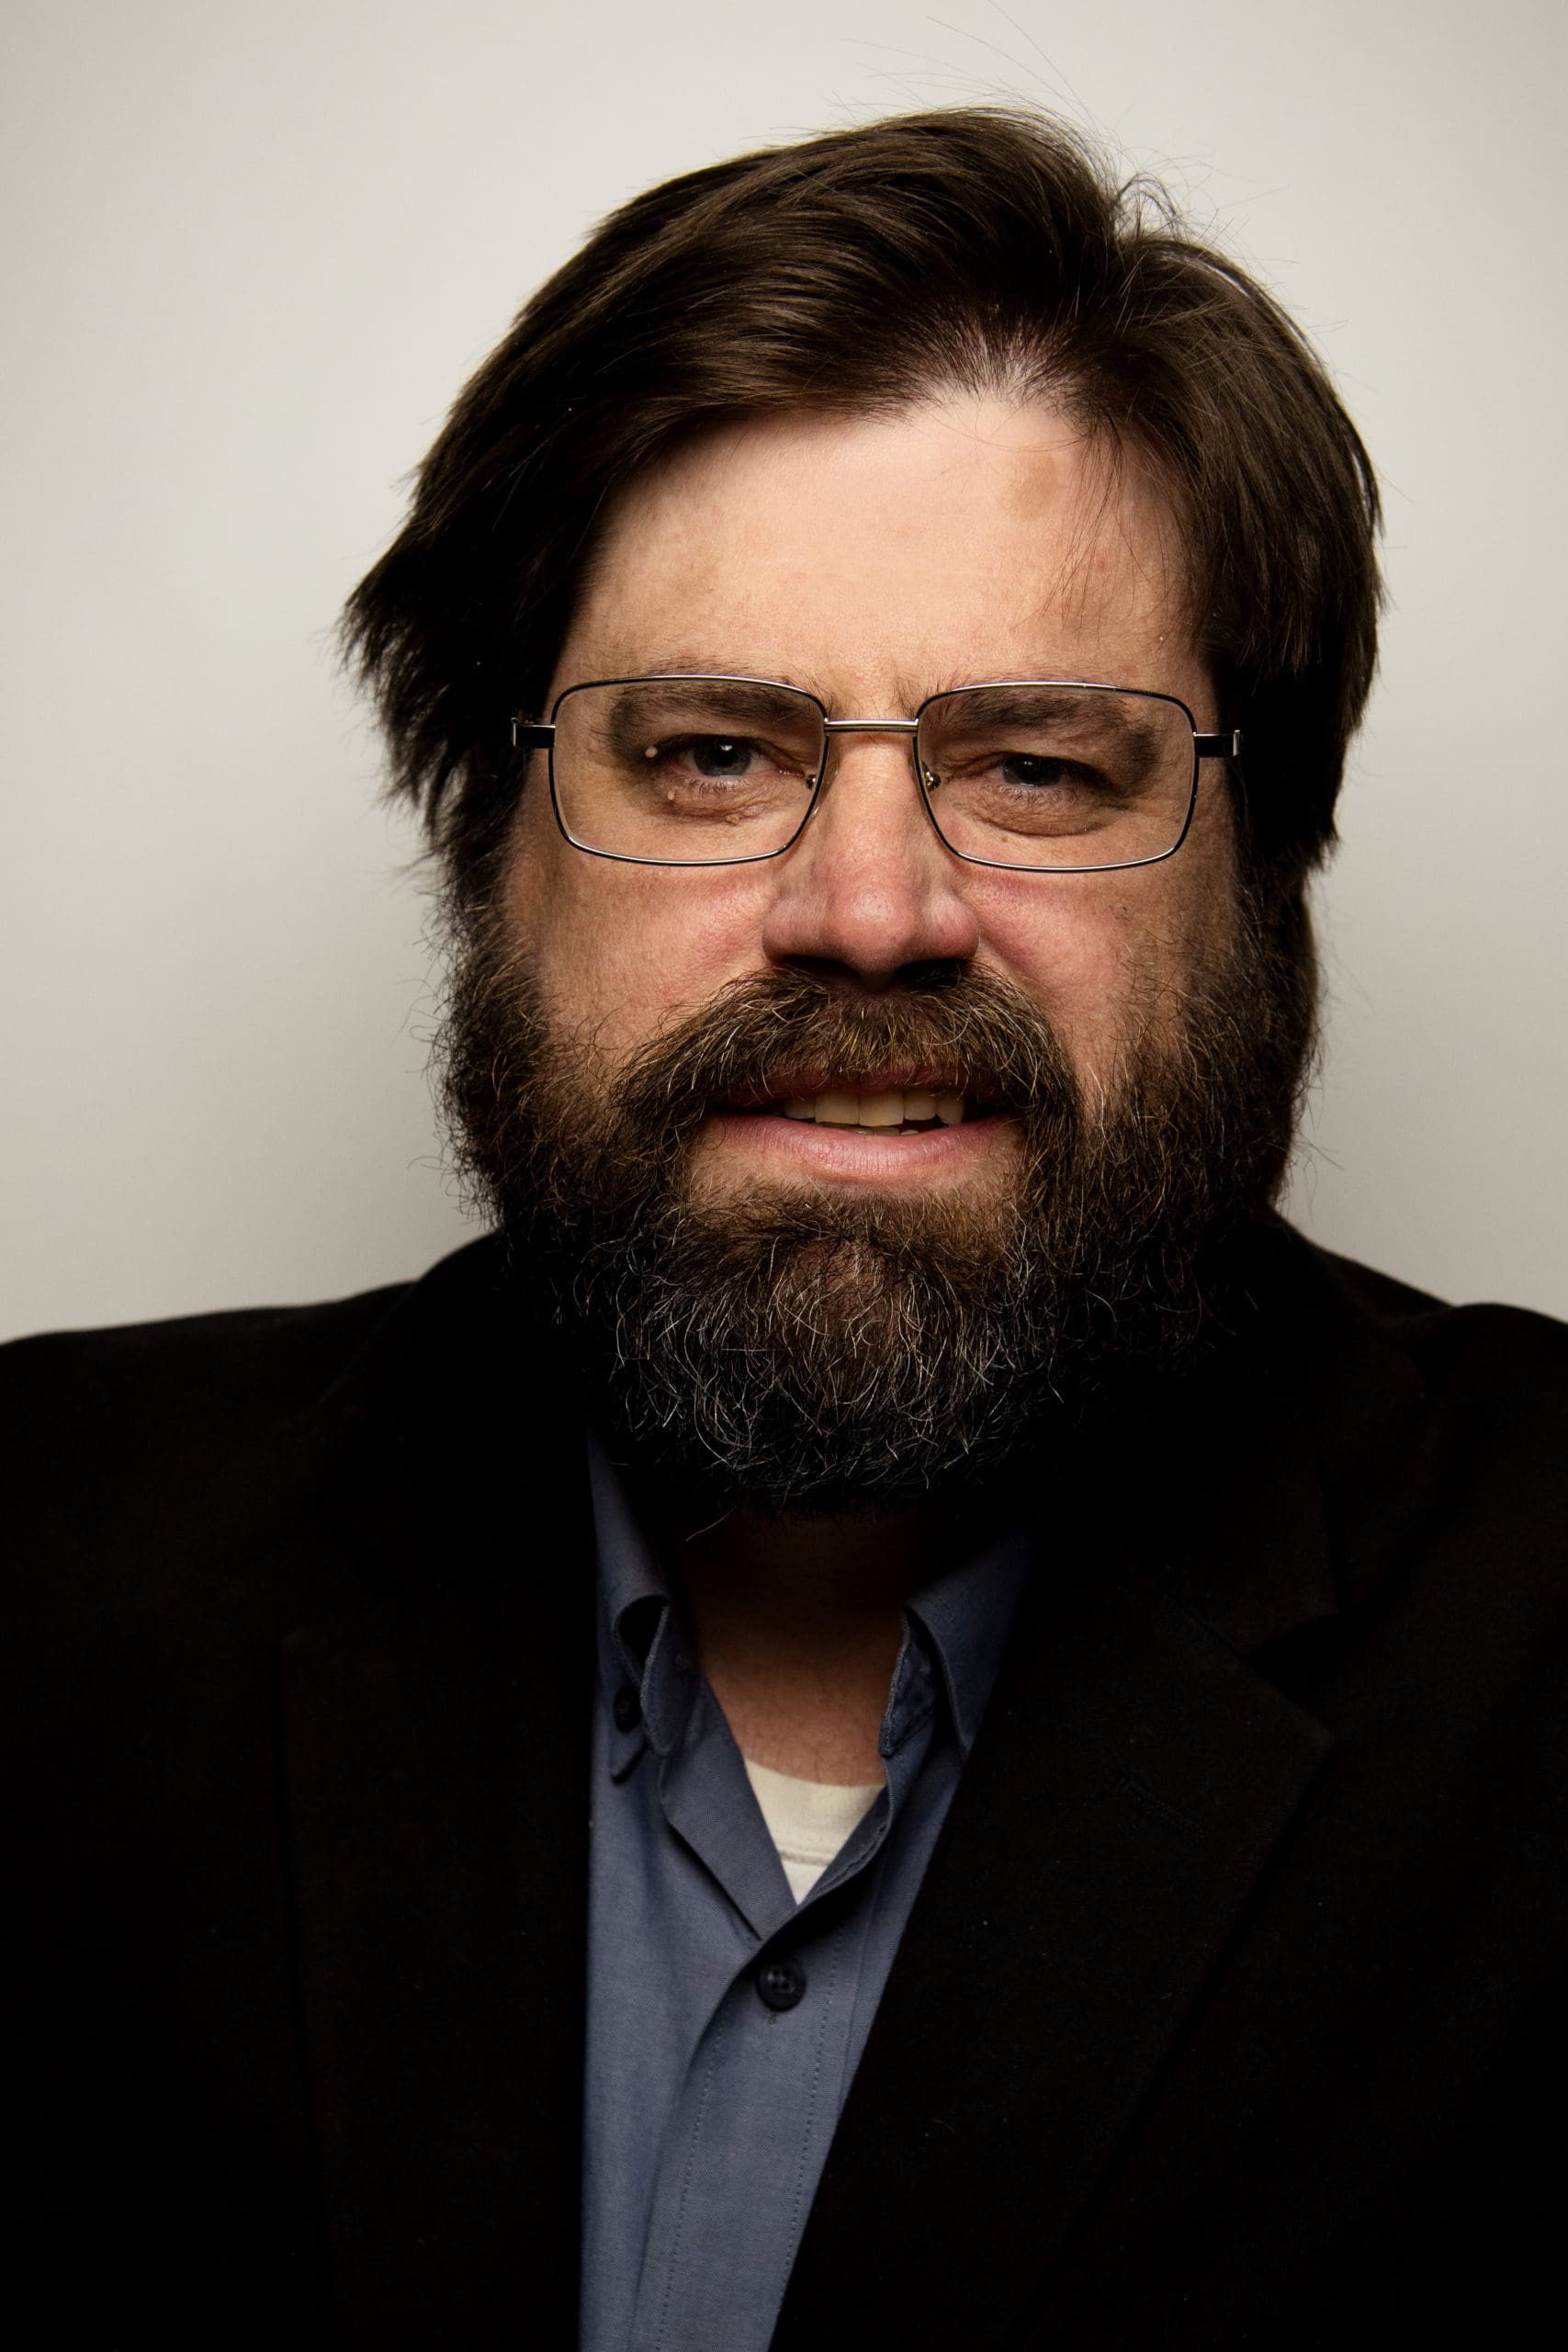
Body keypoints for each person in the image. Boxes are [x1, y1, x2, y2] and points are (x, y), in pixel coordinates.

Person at [3, 105, 1564, 2351]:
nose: (868, 909)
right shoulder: (39, 1560)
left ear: (1261, 866)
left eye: (1039, 764)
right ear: (491, 837)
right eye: (711, 753)